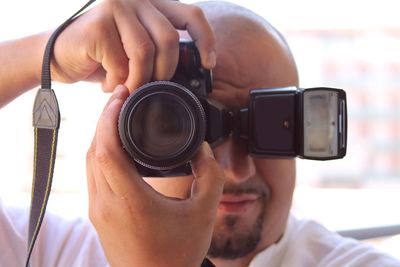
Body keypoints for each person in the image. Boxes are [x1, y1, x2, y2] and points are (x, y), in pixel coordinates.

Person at [0, 1, 399, 267]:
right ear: (131, 130)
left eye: (273, 125)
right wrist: (43, 54)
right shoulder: (47, 249)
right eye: (192, 128)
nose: (234, 170)